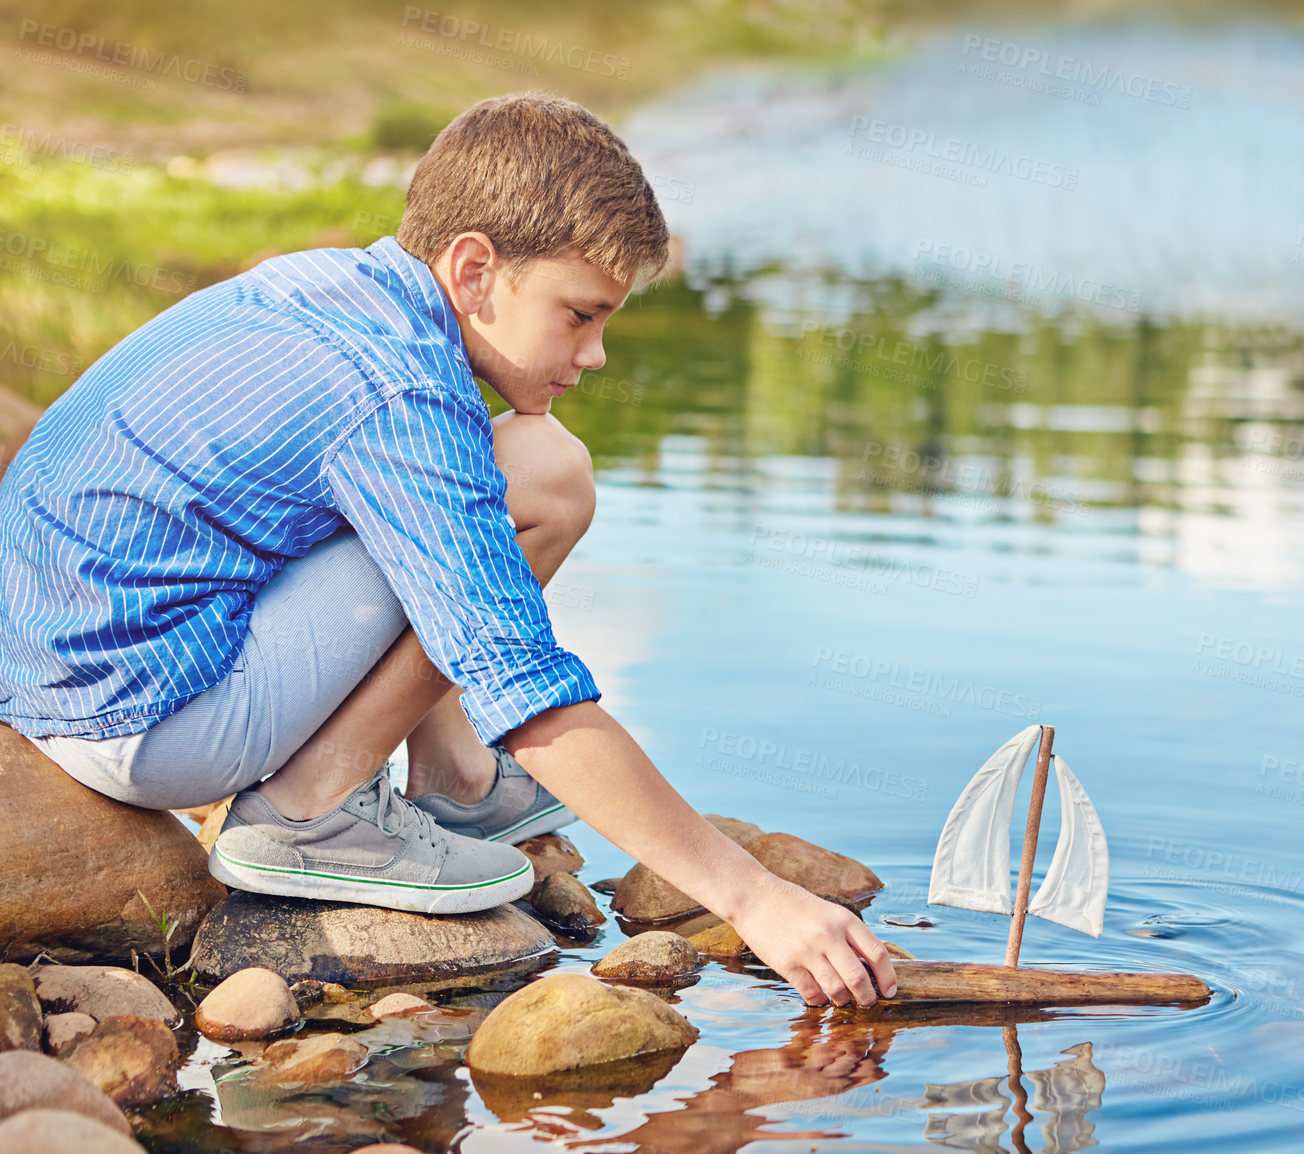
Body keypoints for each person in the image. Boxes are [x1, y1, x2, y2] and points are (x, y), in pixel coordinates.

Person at [0, 92, 896, 1008]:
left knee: (518, 472)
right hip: (143, 716)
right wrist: (754, 896)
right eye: (580, 314)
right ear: (473, 270)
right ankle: (310, 812)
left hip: (55, 661)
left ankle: (455, 774)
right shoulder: (403, 396)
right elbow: (525, 686)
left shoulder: (338, 287)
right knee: (541, 480)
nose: (594, 355)